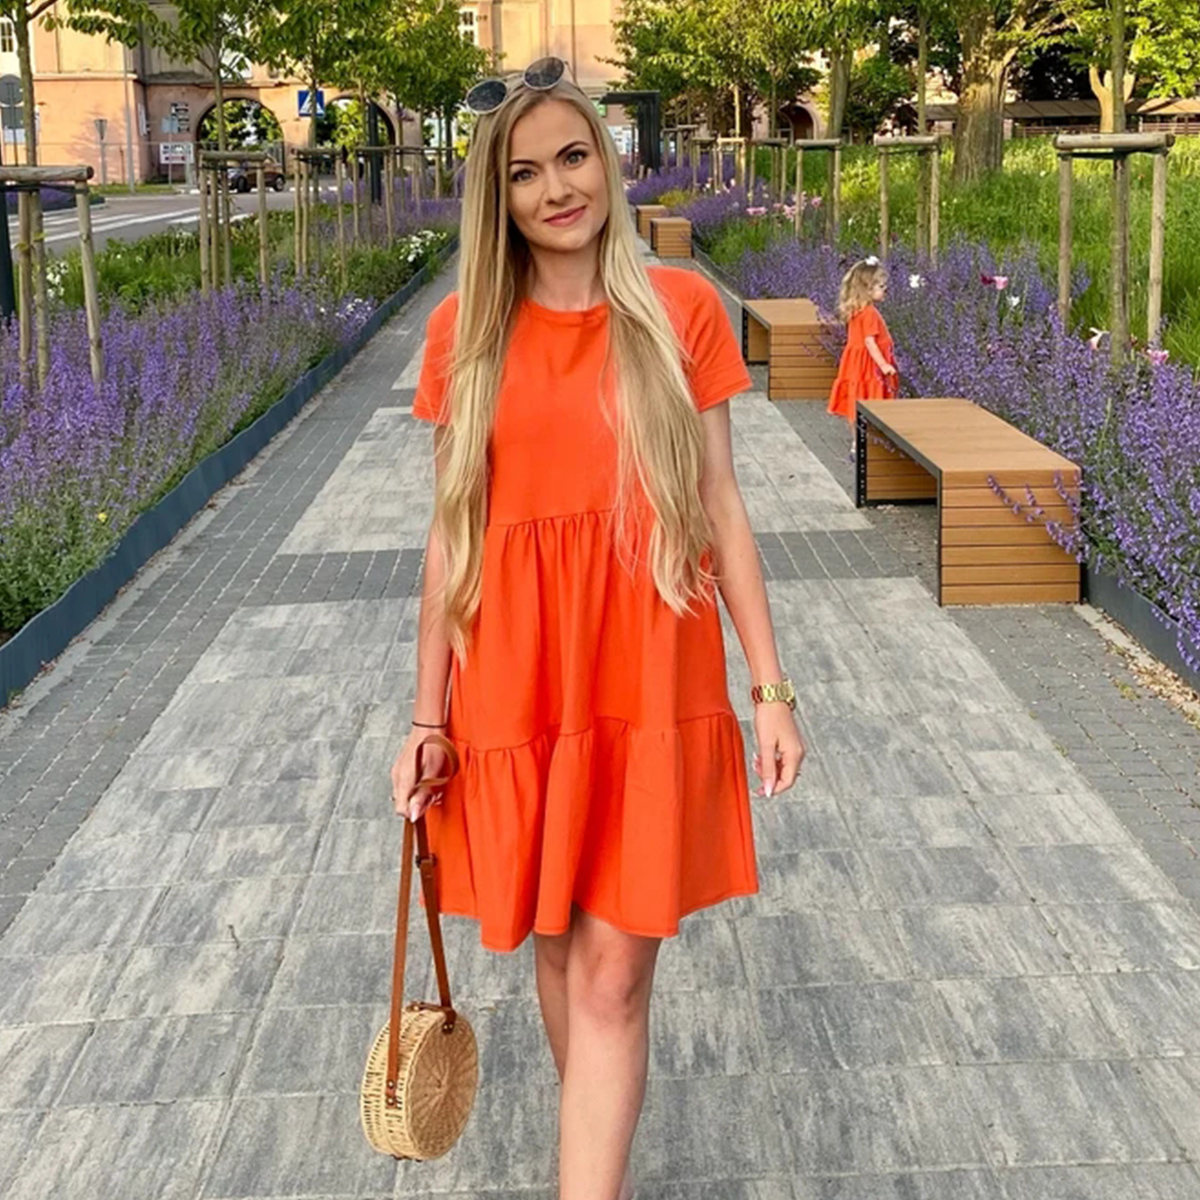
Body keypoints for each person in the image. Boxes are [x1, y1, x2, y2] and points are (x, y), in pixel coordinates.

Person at [390, 57, 805, 1200]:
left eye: (573, 156)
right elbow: (449, 537)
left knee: (616, 975)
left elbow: (722, 507)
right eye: (524, 174)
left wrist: (771, 688)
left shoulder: (681, 311)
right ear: (498, 198)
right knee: (564, 950)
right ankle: (598, 1156)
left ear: (609, 161)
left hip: (650, 672)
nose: (556, 189)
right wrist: (426, 719)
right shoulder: (463, 332)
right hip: (516, 683)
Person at [827, 256, 898, 455]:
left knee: (856, 399)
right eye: (881, 286)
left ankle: (856, 442)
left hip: (855, 365)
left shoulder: (856, 310)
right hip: (869, 366)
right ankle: (867, 443)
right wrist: (883, 365)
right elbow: (869, 342)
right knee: (871, 399)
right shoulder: (869, 313)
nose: (885, 289)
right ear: (867, 289)